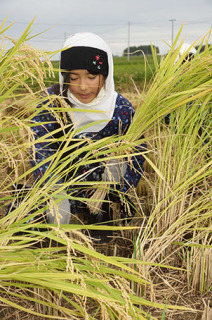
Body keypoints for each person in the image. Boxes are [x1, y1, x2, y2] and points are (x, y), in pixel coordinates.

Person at [30, 32, 146, 242]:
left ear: (106, 75)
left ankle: (102, 214)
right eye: (73, 78)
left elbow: (137, 153)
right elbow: (40, 147)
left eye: (91, 77)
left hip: (101, 184)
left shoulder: (120, 109)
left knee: (114, 169)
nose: (83, 86)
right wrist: (54, 190)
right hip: (62, 180)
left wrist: (117, 183)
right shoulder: (53, 103)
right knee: (29, 218)